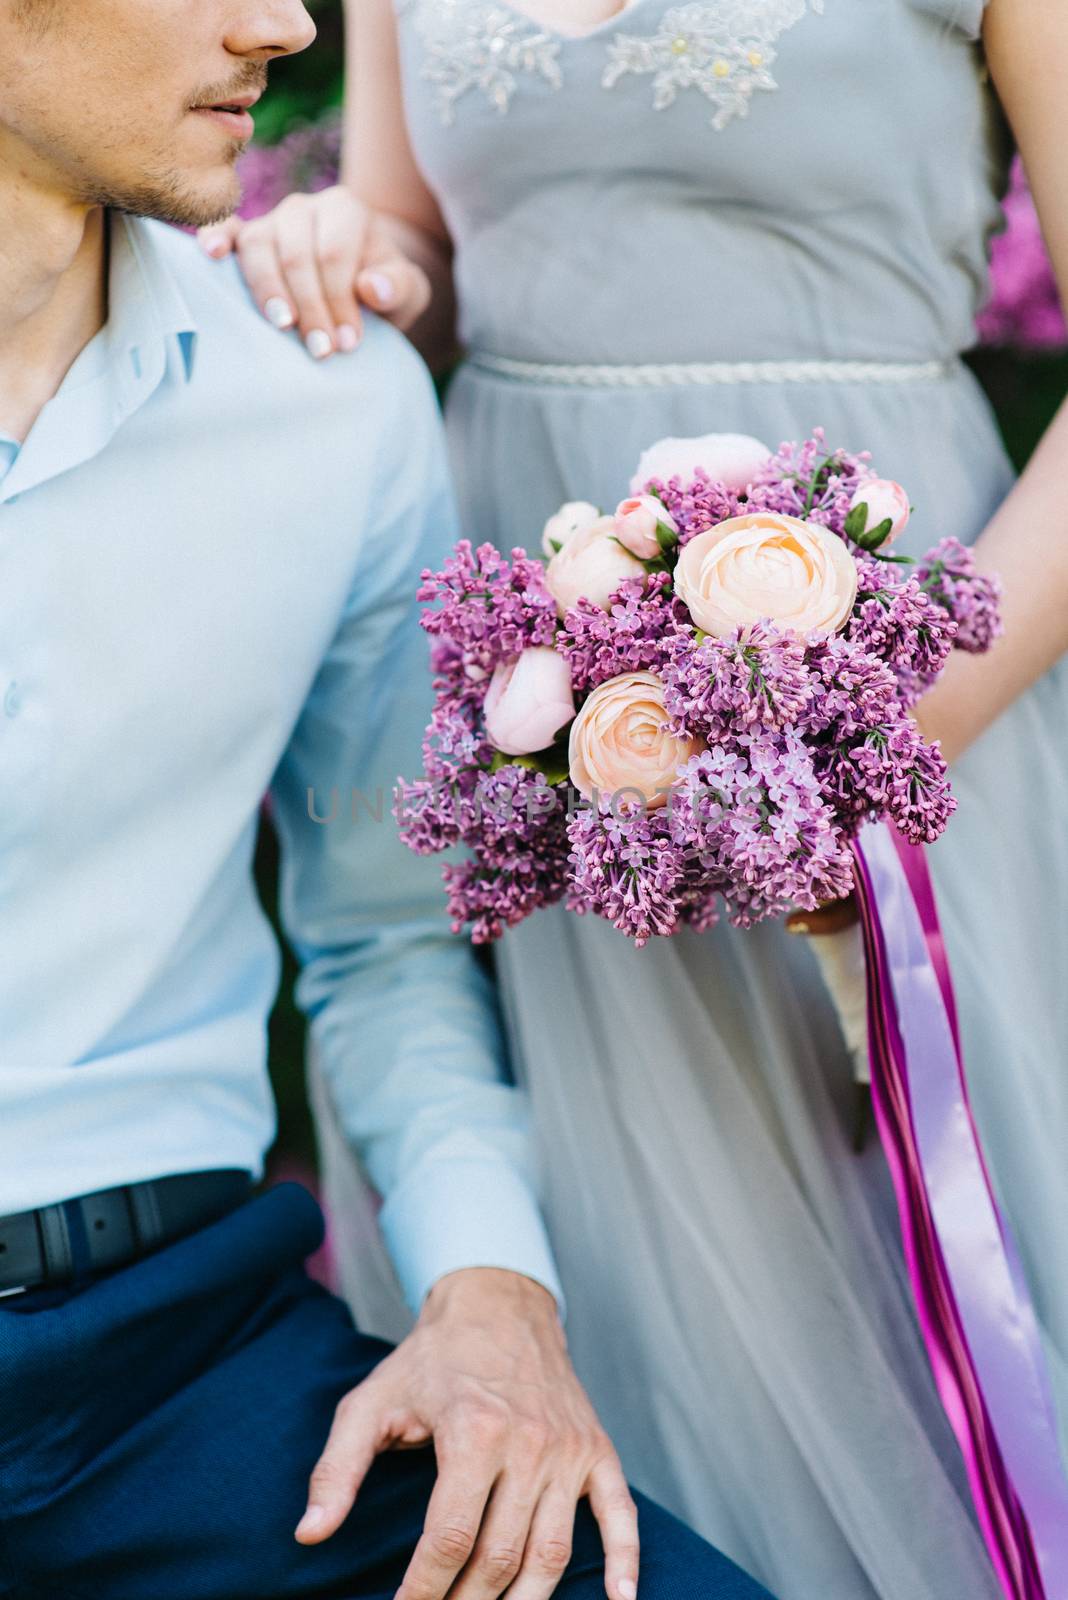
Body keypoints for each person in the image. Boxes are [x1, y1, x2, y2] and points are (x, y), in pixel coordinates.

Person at [202, 1, 1068, 1597]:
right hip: (537, 707)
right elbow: (424, 243)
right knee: (594, 1257)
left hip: (906, 665)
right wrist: (349, 248)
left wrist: (859, 737)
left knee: (926, 1258)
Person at [0, 4, 777, 1599]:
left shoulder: (328, 400)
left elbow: (385, 937)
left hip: (181, 1372)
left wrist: (493, 1292)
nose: (283, 22)